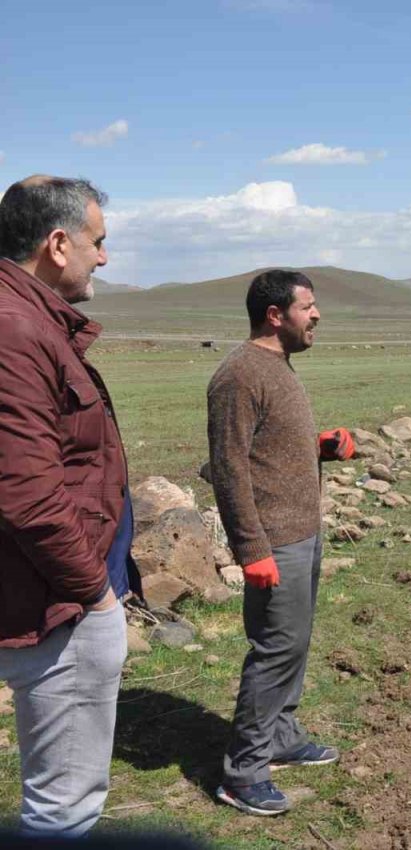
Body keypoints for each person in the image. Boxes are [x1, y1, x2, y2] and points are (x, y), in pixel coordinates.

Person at [0, 175, 139, 836]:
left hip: (53, 595)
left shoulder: (24, 320)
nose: (104, 258)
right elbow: (26, 494)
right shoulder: (15, 329)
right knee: (63, 812)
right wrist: (97, 597)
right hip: (57, 606)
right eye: (97, 242)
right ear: (58, 244)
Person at [207, 269, 354, 816]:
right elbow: (227, 468)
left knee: (295, 643)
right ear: (276, 315)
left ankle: (281, 734)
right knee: (275, 650)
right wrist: (253, 550)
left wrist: (319, 447)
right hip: (274, 541)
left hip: (302, 532)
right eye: (308, 307)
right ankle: (243, 773)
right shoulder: (239, 376)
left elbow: (265, 448)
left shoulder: (276, 367)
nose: (317, 315)